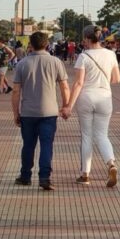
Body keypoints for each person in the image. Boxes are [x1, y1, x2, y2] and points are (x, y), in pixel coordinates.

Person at [61, 25, 120, 187]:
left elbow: (79, 83)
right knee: (102, 135)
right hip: (105, 97)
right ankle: (111, 163)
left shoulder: (83, 56)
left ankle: (85, 174)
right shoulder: (111, 54)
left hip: (87, 97)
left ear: (87, 39)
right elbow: (116, 79)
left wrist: (68, 106)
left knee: (87, 136)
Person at [11, 31, 70, 191]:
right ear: (47, 45)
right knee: (46, 145)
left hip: (28, 113)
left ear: (30, 44)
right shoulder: (56, 62)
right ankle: (44, 177)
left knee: (28, 145)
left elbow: (16, 91)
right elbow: (64, 86)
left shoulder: (22, 64)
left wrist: (16, 113)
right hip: (49, 113)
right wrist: (66, 106)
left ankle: (25, 176)